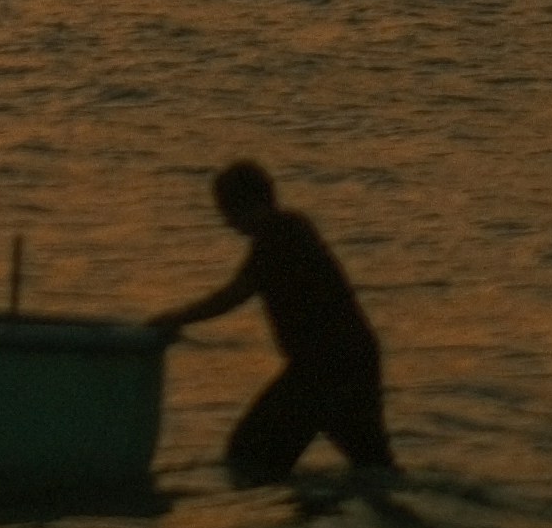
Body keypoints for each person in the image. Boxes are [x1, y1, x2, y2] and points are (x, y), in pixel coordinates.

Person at [147, 160, 392, 507]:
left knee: (249, 454)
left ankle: (310, 512)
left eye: (226, 211)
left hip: (323, 368)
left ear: (244, 205)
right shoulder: (292, 229)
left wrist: (177, 318)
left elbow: (234, 294)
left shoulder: (278, 235)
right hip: (351, 359)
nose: (226, 222)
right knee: (372, 466)